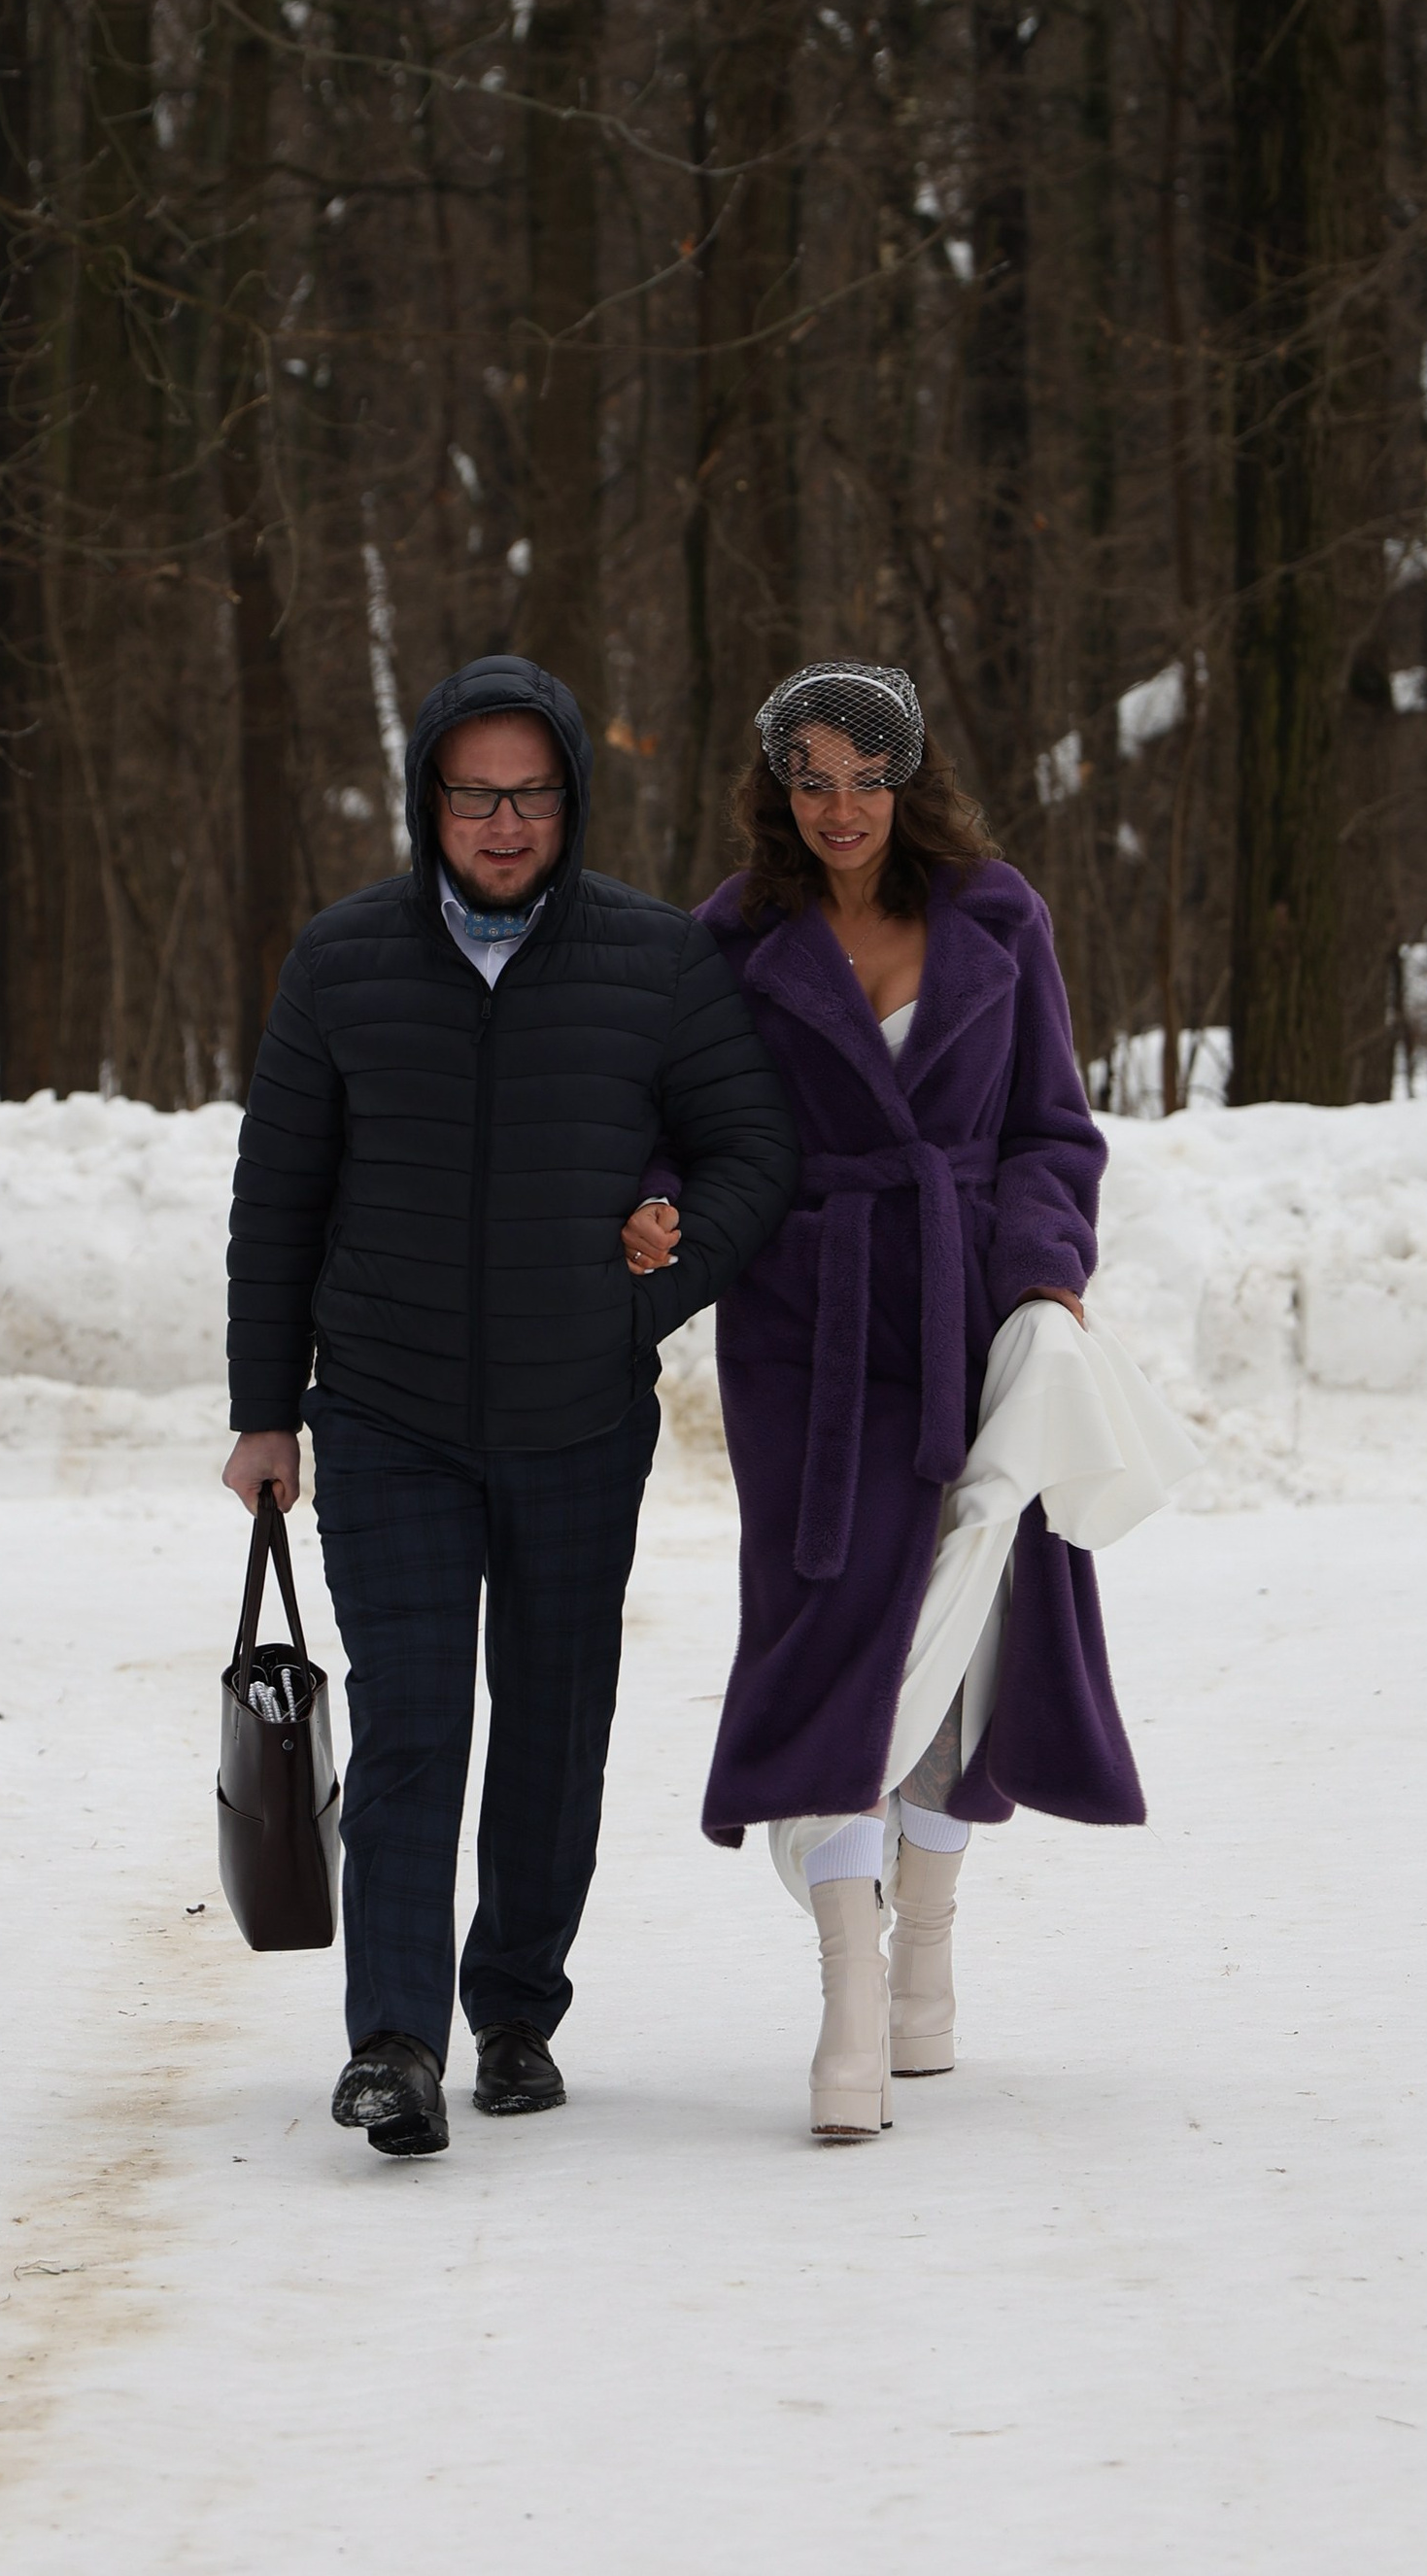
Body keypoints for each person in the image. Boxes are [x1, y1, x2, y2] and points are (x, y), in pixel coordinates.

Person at [223, 654, 798, 2160]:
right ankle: (395, 2040)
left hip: (578, 1415)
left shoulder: (656, 962)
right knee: (413, 1722)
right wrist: (264, 1407)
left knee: (553, 1724)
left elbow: (753, 1154)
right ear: (429, 797)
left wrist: (648, 1294)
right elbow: (277, 1197)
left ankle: (518, 2008)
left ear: (570, 798)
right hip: (392, 1414)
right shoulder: (343, 960)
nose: (499, 818)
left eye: (527, 790)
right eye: (471, 791)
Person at [691, 660, 1146, 2140]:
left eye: (866, 774)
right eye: (810, 775)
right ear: (776, 784)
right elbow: (675, 1128)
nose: (840, 805)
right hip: (803, 1332)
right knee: (829, 1627)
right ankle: (845, 1993)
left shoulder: (1000, 916)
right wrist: (655, 1215)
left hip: (972, 1307)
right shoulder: (732, 937)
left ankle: (928, 1957)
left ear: (910, 777)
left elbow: (1049, 1132)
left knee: (974, 1625)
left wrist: (1043, 1281)